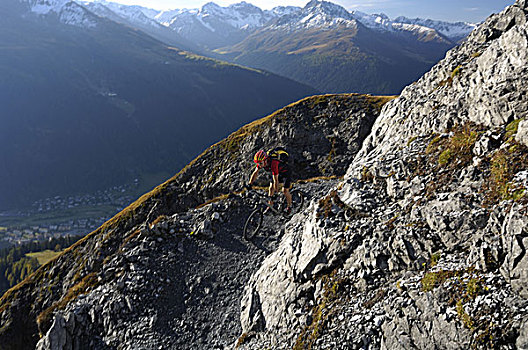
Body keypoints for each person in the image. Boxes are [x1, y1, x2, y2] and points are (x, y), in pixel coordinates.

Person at [246, 148, 292, 214]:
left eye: (260, 163)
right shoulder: (262, 162)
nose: (259, 165)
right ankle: (270, 206)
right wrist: (250, 184)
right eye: (258, 163)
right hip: (277, 173)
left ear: (265, 160)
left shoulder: (274, 163)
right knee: (270, 188)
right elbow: (255, 173)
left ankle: (289, 206)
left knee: (285, 191)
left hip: (285, 172)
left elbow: (276, 180)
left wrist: (276, 193)